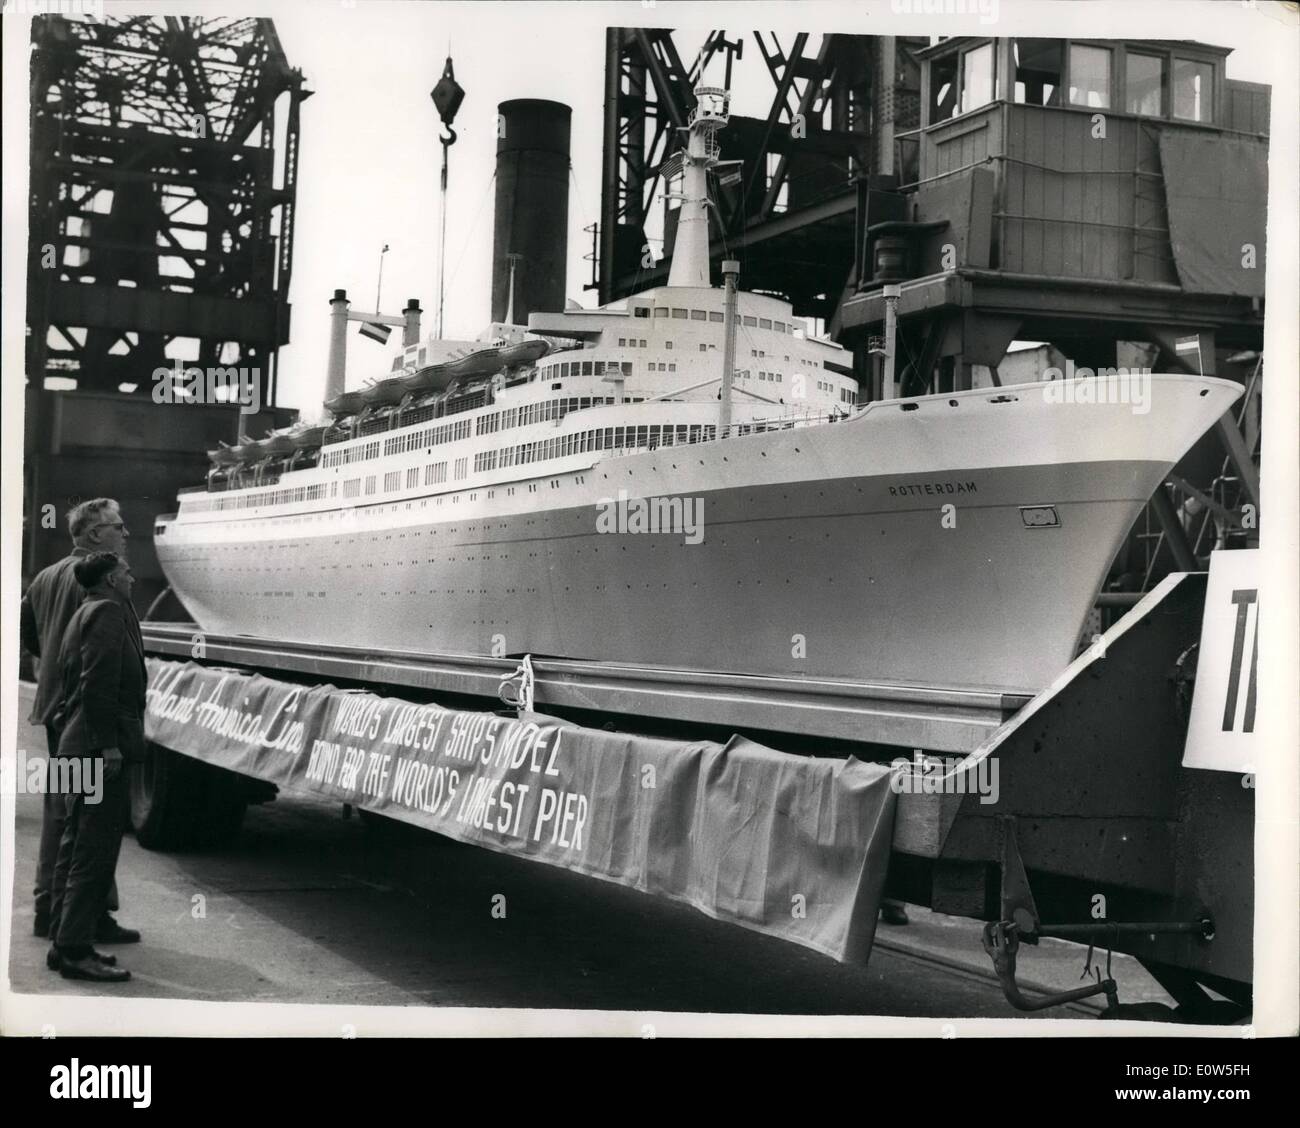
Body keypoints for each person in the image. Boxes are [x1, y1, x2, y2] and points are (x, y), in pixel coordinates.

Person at [20, 498, 139, 945]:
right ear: (94, 535)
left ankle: (49, 908)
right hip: (84, 715)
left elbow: (27, 631)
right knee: (91, 825)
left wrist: (49, 667)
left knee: (63, 814)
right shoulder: (99, 582)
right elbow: (99, 659)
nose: (126, 534)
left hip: (56, 709)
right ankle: (82, 918)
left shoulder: (47, 576)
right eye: (118, 526)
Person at [47, 552, 146, 982]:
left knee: (74, 845)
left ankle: (64, 941)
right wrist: (108, 746)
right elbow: (98, 684)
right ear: (109, 579)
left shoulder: (84, 610)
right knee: (94, 848)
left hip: (75, 742)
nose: (132, 577)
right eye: (126, 571)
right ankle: (75, 951)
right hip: (94, 748)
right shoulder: (106, 612)